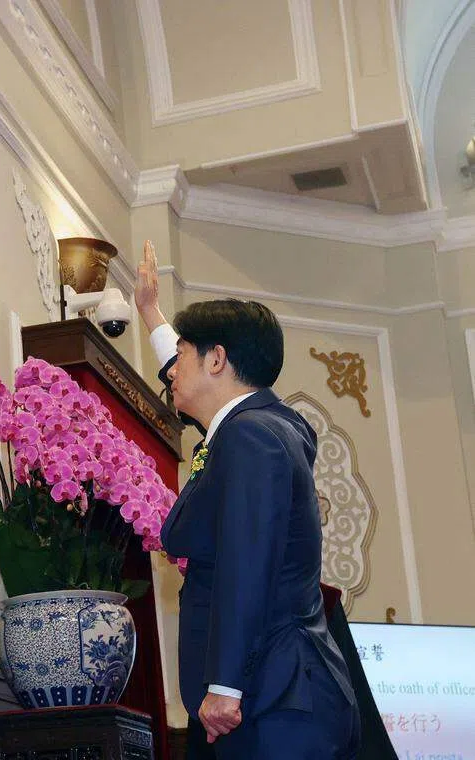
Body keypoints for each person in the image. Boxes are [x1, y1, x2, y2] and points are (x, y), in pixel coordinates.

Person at [134, 241, 360, 758]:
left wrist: (225, 686)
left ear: (217, 359)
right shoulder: (261, 427)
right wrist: (150, 313)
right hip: (280, 697)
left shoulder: (249, 436)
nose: (172, 372)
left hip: (273, 701)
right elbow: (192, 381)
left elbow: (247, 561)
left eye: (182, 356)